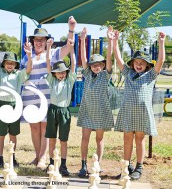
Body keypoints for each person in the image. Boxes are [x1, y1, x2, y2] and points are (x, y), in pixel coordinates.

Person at [20, 16, 77, 169]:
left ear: (46, 42)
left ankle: (43, 158)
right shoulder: (26, 57)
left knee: (44, 127)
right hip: (29, 96)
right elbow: (23, 75)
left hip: (46, 97)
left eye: (42, 40)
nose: (39, 42)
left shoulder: (53, 54)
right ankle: (37, 155)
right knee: (34, 127)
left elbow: (68, 46)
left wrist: (71, 29)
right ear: (33, 41)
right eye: (36, 40)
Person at [113, 31, 166, 180]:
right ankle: (126, 166)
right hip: (128, 112)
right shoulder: (128, 73)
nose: (139, 64)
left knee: (139, 139)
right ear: (132, 63)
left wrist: (161, 43)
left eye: (142, 63)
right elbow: (118, 58)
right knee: (127, 138)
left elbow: (160, 61)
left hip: (142, 112)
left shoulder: (150, 75)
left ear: (147, 65)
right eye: (137, 62)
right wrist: (115, 41)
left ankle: (139, 166)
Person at [77, 27, 114, 178]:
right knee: (85, 138)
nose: (96, 66)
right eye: (93, 65)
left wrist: (110, 41)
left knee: (99, 139)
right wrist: (82, 40)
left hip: (101, 111)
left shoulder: (106, 75)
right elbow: (84, 59)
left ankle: (98, 164)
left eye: (99, 64)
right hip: (87, 110)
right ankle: (83, 164)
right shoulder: (87, 73)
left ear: (103, 65)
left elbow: (110, 58)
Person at [0, 31, 33, 168]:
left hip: (15, 105)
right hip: (2, 105)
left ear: (15, 65)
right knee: (1, 134)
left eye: (12, 63)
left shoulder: (18, 75)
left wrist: (29, 55)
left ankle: (12, 157)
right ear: (3, 64)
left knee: (13, 134)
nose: (10, 65)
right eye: (7, 63)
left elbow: (28, 70)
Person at [45, 37, 76, 176]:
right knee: (52, 138)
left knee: (63, 139)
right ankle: (51, 163)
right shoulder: (52, 80)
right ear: (54, 73)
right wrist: (48, 49)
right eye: (59, 72)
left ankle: (63, 165)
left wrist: (71, 49)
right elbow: (48, 63)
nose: (62, 74)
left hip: (64, 111)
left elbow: (74, 64)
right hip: (52, 110)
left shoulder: (69, 80)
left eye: (64, 72)